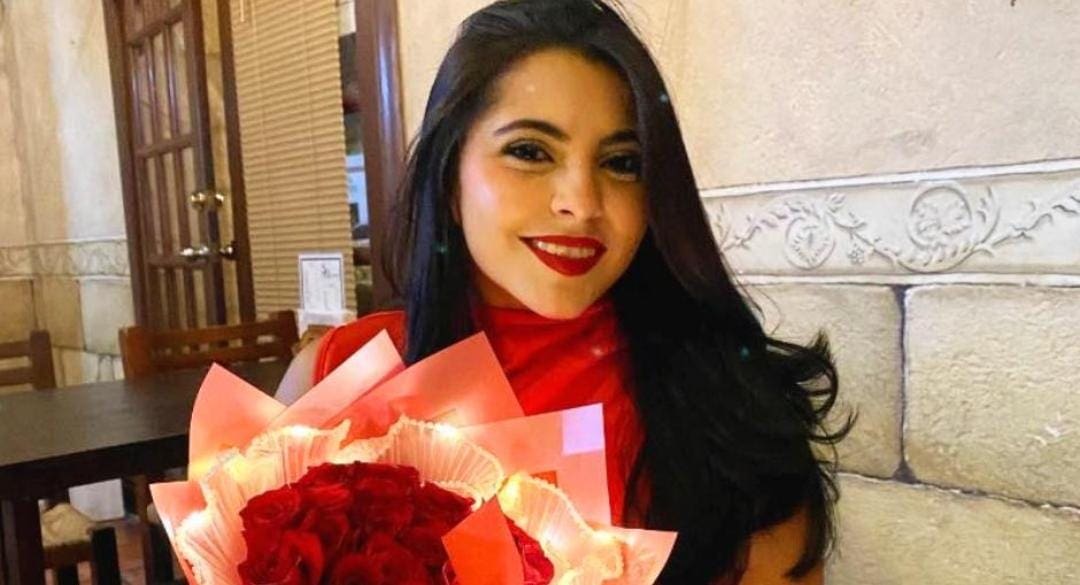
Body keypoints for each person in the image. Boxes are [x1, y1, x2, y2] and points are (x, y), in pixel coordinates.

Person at [276, 1, 851, 582]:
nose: (581, 203)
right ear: (449, 178)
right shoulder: (335, 381)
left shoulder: (731, 406)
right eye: (530, 152)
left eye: (621, 162)